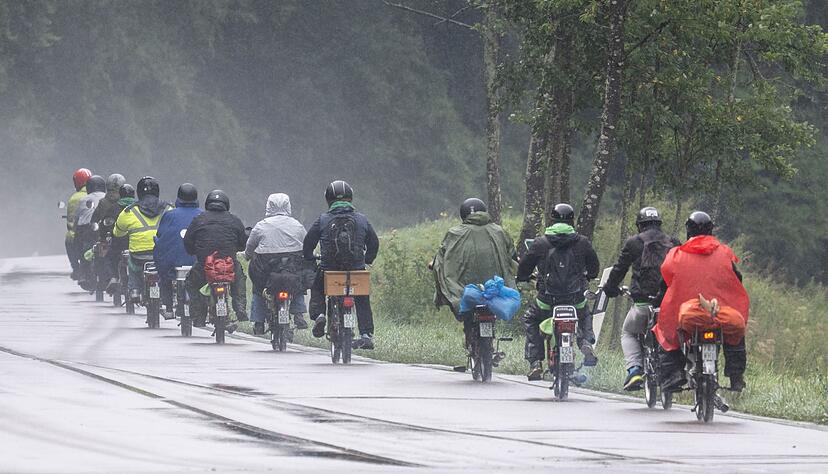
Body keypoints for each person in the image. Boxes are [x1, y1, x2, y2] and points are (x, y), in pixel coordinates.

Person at [656, 211, 750, 392]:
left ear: (688, 230)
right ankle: (736, 378)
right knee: (735, 334)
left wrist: (660, 299)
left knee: (668, 332)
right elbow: (737, 279)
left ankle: (673, 376)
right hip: (719, 314)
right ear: (711, 231)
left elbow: (666, 280)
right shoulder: (724, 253)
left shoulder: (676, 254)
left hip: (688, 316)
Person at [517, 203, 600, 380]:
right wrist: (589, 275)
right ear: (572, 221)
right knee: (585, 314)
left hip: (547, 301)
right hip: (575, 299)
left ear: (551, 219)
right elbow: (594, 267)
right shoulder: (583, 243)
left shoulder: (540, 243)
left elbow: (524, 267)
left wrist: (523, 277)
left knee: (531, 319)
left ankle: (535, 362)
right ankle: (585, 341)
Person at [603, 207, 681, 390]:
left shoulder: (634, 243)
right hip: (668, 306)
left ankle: (635, 370)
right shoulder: (674, 242)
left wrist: (610, 288)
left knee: (628, 332)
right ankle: (676, 372)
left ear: (640, 225)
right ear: (659, 224)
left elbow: (619, 269)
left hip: (642, 304)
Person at [431, 198, 517, 351]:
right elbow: (512, 255)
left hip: (465, 287)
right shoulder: (499, 231)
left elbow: (442, 257)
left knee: (467, 309)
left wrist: (434, 264)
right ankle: (489, 339)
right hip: (494, 286)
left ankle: (469, 335)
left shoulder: (454, 233)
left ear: (463, 215)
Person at [303, 180, 379, 349]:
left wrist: (309, 257)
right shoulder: (361, 220)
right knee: (362, 299)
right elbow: (374, 243)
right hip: (356, 270)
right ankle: (366, 334)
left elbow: (308, 243)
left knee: (317, 288)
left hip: (329, 270)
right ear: (350, 198)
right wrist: (367, 259)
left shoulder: (323, 220)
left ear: (328, 199)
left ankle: (320, 315)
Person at [183, 190, 248, 330]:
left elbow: (188, 241)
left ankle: (198, 314)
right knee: (239, 281)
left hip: (205, 265)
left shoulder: (199, 219)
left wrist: (195, 252)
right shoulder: (234, 220)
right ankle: (240, 308)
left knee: (190, 283)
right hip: (228, 266)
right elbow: (243, 243)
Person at [246, 193, 309, 335]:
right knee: (297, 284)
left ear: (269, 206)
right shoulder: (297, 225)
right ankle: (299, 313)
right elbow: (307, 244)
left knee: (258, 288)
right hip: (291, 266)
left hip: (266, 269)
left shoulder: (261, 225)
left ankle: (258, 321)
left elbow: (250, 246)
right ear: (288, 206)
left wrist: (248, 256)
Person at [113, 176, 173, 307]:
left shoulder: (128, 211)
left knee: (132, 264)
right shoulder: (169, 208)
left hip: (139, 255)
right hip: (161, 255)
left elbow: (117, 233)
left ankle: (134, 289)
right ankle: (169, 295)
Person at [153, 183, 201, 319]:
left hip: (172, 262)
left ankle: (168, 306)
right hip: (196, 261)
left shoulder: (169, 215)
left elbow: (160, 236)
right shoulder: (202, 215)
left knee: (163, 276)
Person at [91, 173, 127, 289]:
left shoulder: (103, 202)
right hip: (122, 236)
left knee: (105, 256)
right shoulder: (126, 203)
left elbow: (94, 219)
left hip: (106, 235)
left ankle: (109, 278)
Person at [74, 175, 107, 290]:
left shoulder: (83, 199)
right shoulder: (107, 197)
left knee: (79, 247)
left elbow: (77, 217)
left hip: (86, 229)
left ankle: (82, 272)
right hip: (103, 228)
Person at [66, 168, 92, 279]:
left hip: (81, 231)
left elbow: (70, 222)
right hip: (97, 230)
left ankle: (76, 268)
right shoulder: (99, 194)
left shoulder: (74, 198)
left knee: (69, 239)